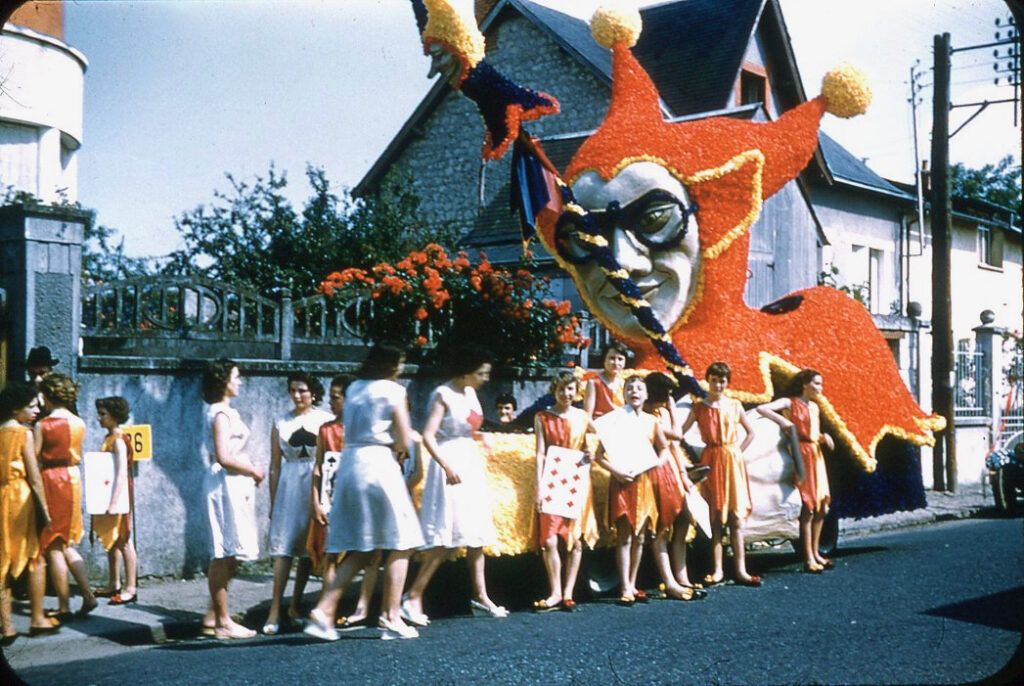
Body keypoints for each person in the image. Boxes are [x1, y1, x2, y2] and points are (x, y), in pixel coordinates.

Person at [305, 343, 424, 641]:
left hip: (351, 464)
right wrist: (410, 444)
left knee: (363, 546)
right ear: (390, 364)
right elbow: (404, 436)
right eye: (399, 362)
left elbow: (349, 424)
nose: (401, 368)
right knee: (403, 540)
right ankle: (392, 615)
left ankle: (324, 610)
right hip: (378, 464)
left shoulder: (356, 387)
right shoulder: (394, 390)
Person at [403, 347, 507, 623]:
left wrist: (481, 436)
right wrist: (446, 465)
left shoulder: (470, 393)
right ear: (465, 373)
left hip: (470, 463)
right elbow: (428, 435)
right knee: (445, 535)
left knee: (475, 534)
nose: (485, 378)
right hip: (449, 465)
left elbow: (467, 429)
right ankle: (412, 597)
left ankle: (481, 597)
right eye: (481, 373)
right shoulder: (443, 394)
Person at [594, 374, 676, 605]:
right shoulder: (615, 420)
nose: (635, 392)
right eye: (630, 388)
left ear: (646, 394)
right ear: (624, 393)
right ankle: (625, 586)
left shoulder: (652, 421)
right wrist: (617, 471)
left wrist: (657, 463)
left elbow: (664, 448)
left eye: (639, 388)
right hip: (623, 481)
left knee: (640, 536)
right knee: (624, 536)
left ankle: (632, 582)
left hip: (645, 481)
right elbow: (599, 456)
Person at [308, 374, 380, 630]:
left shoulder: (362, 429)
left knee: (368, 553)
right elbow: (318, 469)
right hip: (331, 497)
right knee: (331, 555)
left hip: (357, 495)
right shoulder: (326, 430)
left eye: (336, 398)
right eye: (330, 398)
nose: (331, 403)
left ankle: (362, 607)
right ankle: (328, 611)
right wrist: (315, 502)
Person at [264, 372, 332, 635]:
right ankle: (274, 610)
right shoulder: (280, 421)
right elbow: (274, 465)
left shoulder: (324, 420)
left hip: (315, 483)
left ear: (313, 392)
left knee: (309, 546)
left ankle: (295, 605)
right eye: (293, 390)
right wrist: (273, 501)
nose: (297, 395)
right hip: (289, 486)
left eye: (302, 390)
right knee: (284, 549)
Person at [201, 359, 265, 640]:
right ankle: (222, 621)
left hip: (236, 486)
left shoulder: (226, 412)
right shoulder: (220, 414)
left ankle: (214, 614)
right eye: (236, 377)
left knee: (233, 553)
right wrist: (253, 469)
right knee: (224, 552)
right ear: (224, 381)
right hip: (224, 485)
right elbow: (223, 457)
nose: (240, 382)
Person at [680, 363, 759, 586]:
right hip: (711, 459)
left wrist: (737, 453)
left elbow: (751, 432)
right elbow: (680, 433)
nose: (718, 385)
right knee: (715, 517)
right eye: (714, 380)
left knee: (735, 517)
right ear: (708, 381)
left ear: (727, 382)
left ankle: (741, 570)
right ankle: (718, 570)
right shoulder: (699, 407)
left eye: (722, 381)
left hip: (731, 460)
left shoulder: (735, 405)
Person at [531, 371, 598, 612]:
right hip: (553, 477)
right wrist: (539, 485)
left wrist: (590, 452)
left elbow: (596, 439)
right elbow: (539, 452)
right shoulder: (542, 417)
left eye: (570, 389)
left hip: (576, 478)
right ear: (554, 390)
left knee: (575, 539)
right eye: (561, 389)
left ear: (577, 391)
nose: (566, 394)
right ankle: (555, 591)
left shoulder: (582, 416)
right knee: (549, 540)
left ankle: (568, 592)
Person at [757, 369, 834, 573]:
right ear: (804, 384)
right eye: (817, 384)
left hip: (816, 455)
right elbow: (762, 409)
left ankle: (816, 552)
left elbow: (814, 433)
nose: (820, 388)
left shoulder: (815, 408)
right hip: (801, 454)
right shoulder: (790, 403)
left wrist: (824, 437)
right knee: (808, 508)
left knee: (822, 507)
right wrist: (783, 421)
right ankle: (808, 557)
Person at [36, 374, 97, 619]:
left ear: (49, 396)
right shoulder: (78, 422)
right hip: (73, 477)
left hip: (52, 479)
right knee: (66, 542)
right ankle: (88, 594)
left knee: (52, 544)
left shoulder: (44, 424)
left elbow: (35, 457)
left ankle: (63, 606)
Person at [0, 383, 56, 641]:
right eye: (31, 406)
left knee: (3, 560)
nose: (37, 410)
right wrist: (45, 510)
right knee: (35, 557)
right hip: (20, 497)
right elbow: (34, 477)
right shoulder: (24, 434)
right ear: (15, 409)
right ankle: (37, 618)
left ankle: (7, 625)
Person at [644, 372, 703, 592]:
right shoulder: (650, 414)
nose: (670, 397)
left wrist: (683, 474)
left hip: (671, 468)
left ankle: (682, 576)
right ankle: (669, 581)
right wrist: (672, 411)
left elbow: (674, 447)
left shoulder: (661, 411)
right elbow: (677, 435)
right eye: (667, 394)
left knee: (683, 519)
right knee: (661, 525)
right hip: (655, 468)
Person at [91, 397, 139, 605]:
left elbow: (120, 473)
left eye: (103, 414)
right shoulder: (109, 437)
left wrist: (113, 502)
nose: (99, 418)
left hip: (118, 496)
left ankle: (130, 587)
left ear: (115, 416)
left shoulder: (119, 440)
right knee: (112, 541)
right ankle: (114, 582)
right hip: (109, 494)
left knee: (124, 540)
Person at [584, 343, 629, 420]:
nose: (616, 363)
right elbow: (588, 417)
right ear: (604, 360)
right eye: (612, 358)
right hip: (599, 425)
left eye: (620, 359)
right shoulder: (594, 383)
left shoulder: (624, 383)